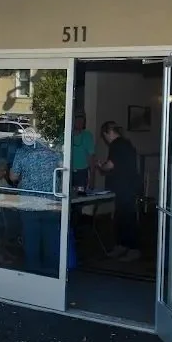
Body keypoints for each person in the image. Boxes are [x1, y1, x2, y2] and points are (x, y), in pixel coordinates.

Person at [9, 127, 62, 276]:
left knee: (31, 240)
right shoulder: (53, 152)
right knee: (51, 239)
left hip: (29, 203)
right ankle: (52, 273)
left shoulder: (21, 153)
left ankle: (32, 273)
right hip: (50, 202)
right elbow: (63, 168)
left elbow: (13, 177)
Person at [96, 121, 142, 262]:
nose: (105, 139)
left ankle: (132, 249)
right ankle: (122, 246)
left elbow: (110, 165)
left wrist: (101, 166)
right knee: (122, 216)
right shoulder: (126, 143)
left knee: (126, 217)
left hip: (125, 187)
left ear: (109, 132)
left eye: (105, 135)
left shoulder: (116, 145)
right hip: (128, 186)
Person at [70, 112, 96, 190]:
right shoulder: (67, 135)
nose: (80, 123)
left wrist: (92, 178)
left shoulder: (87, 135)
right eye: (78, 121)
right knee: (67, 194)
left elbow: (91, 157)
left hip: (81, 173)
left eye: (82, 121)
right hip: (68, 171)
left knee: (80, 193)